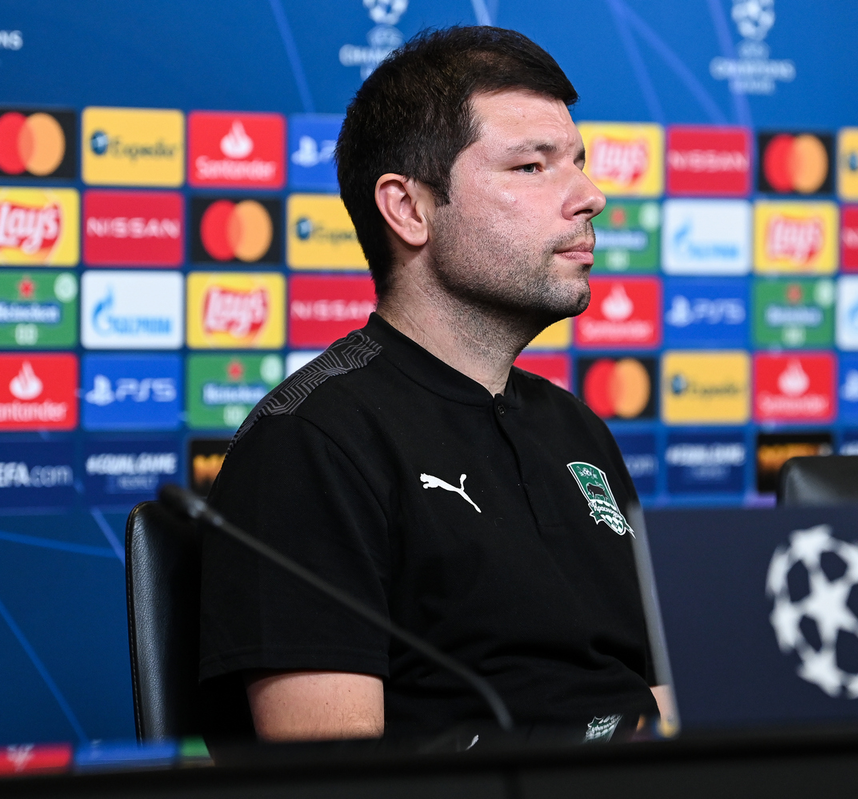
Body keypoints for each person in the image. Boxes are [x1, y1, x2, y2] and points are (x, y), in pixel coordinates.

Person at [197, 26, 671, 743]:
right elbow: (333, 776)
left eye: (578, 162)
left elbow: (660, 702)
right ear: (409, 209)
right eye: (532, 167)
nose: (591, 197)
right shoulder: (309, 445)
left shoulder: (579, 431)